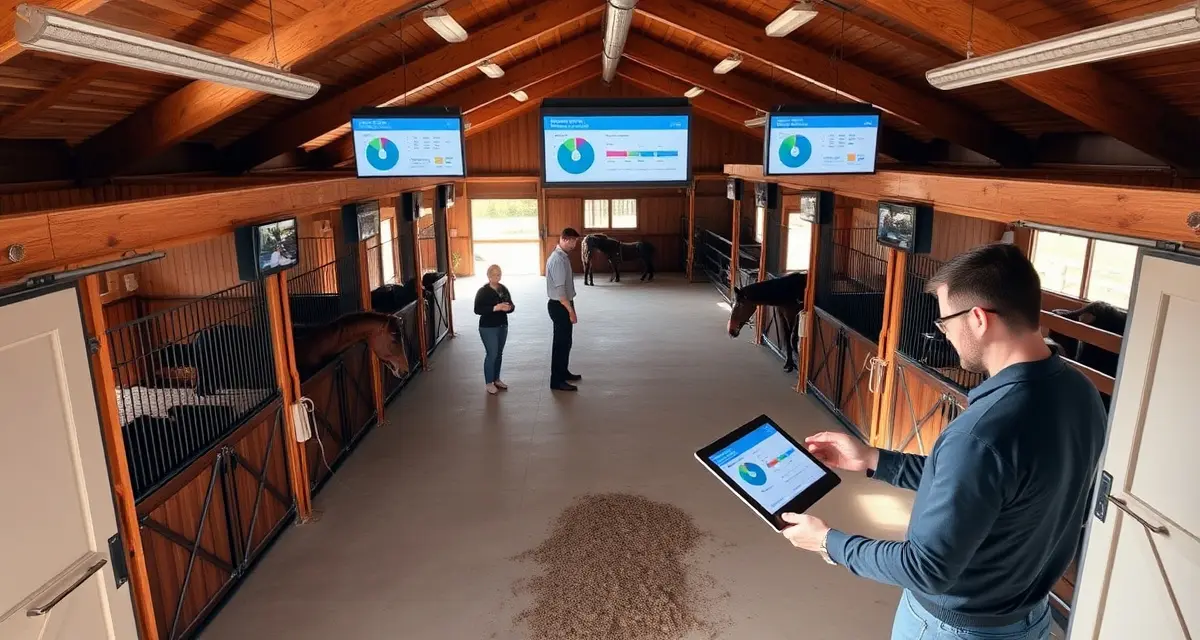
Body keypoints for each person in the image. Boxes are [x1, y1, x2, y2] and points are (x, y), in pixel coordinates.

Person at [779, 243, 1107, 640]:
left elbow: (926, 569)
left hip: (955, 629)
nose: (945, 333)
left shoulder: (982, 432)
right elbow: (985, 485)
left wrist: (828, 543)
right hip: (1030, 617)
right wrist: (872, 458)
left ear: (979, 319)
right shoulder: (1079, 390)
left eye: (945, 322)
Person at [545, 227, 582, 391]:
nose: (574, 244)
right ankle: (557, 381)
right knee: (560, 344)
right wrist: (570, 310)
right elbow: (560, 291)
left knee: (566, 342)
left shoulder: (563, 256)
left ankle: (563, 372)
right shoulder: (558, 260)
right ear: (564, 239)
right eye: (573, 241)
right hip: (560, 305)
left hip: (564, 303)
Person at [473, 264, 514, 395]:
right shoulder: (483, 292)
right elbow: (477, 309)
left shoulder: (503, 289)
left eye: (499, 274)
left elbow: (511, 304)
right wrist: (495, 308)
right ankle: (489, 382)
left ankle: (496, 378)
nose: (497, 277)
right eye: (495, 274)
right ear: (489, 276)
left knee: (499, 353)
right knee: (492, 353)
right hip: (488, 327)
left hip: (502, 325)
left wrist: (509, 308)